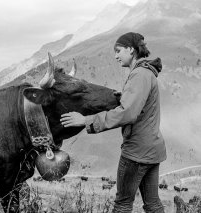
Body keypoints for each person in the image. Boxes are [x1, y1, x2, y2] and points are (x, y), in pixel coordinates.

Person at [60, 32, 166, 213]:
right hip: (151, 149)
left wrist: (86, 120)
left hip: (136, 152)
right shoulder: (146, 73)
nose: (116, 56)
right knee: (152, 204)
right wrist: (125, 96)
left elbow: (128, 113)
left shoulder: (139, 75)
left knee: (123, 204)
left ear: (131, 50)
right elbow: (138, 106)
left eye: (118, 51)